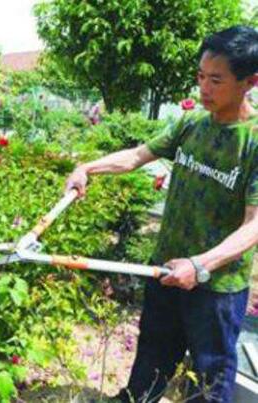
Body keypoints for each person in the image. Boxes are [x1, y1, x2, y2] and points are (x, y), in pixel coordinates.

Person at [65, 26, 258, 402]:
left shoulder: (253, 141)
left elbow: (255, 225)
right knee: (151, 359)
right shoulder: (192, 124)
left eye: (216, 80)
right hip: (165, 271)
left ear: (250, 81)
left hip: (215, 288)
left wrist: (200, 265)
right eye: (201, 76)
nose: (203, 87)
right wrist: (87, 167)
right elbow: (137, 156)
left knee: (209, 379)